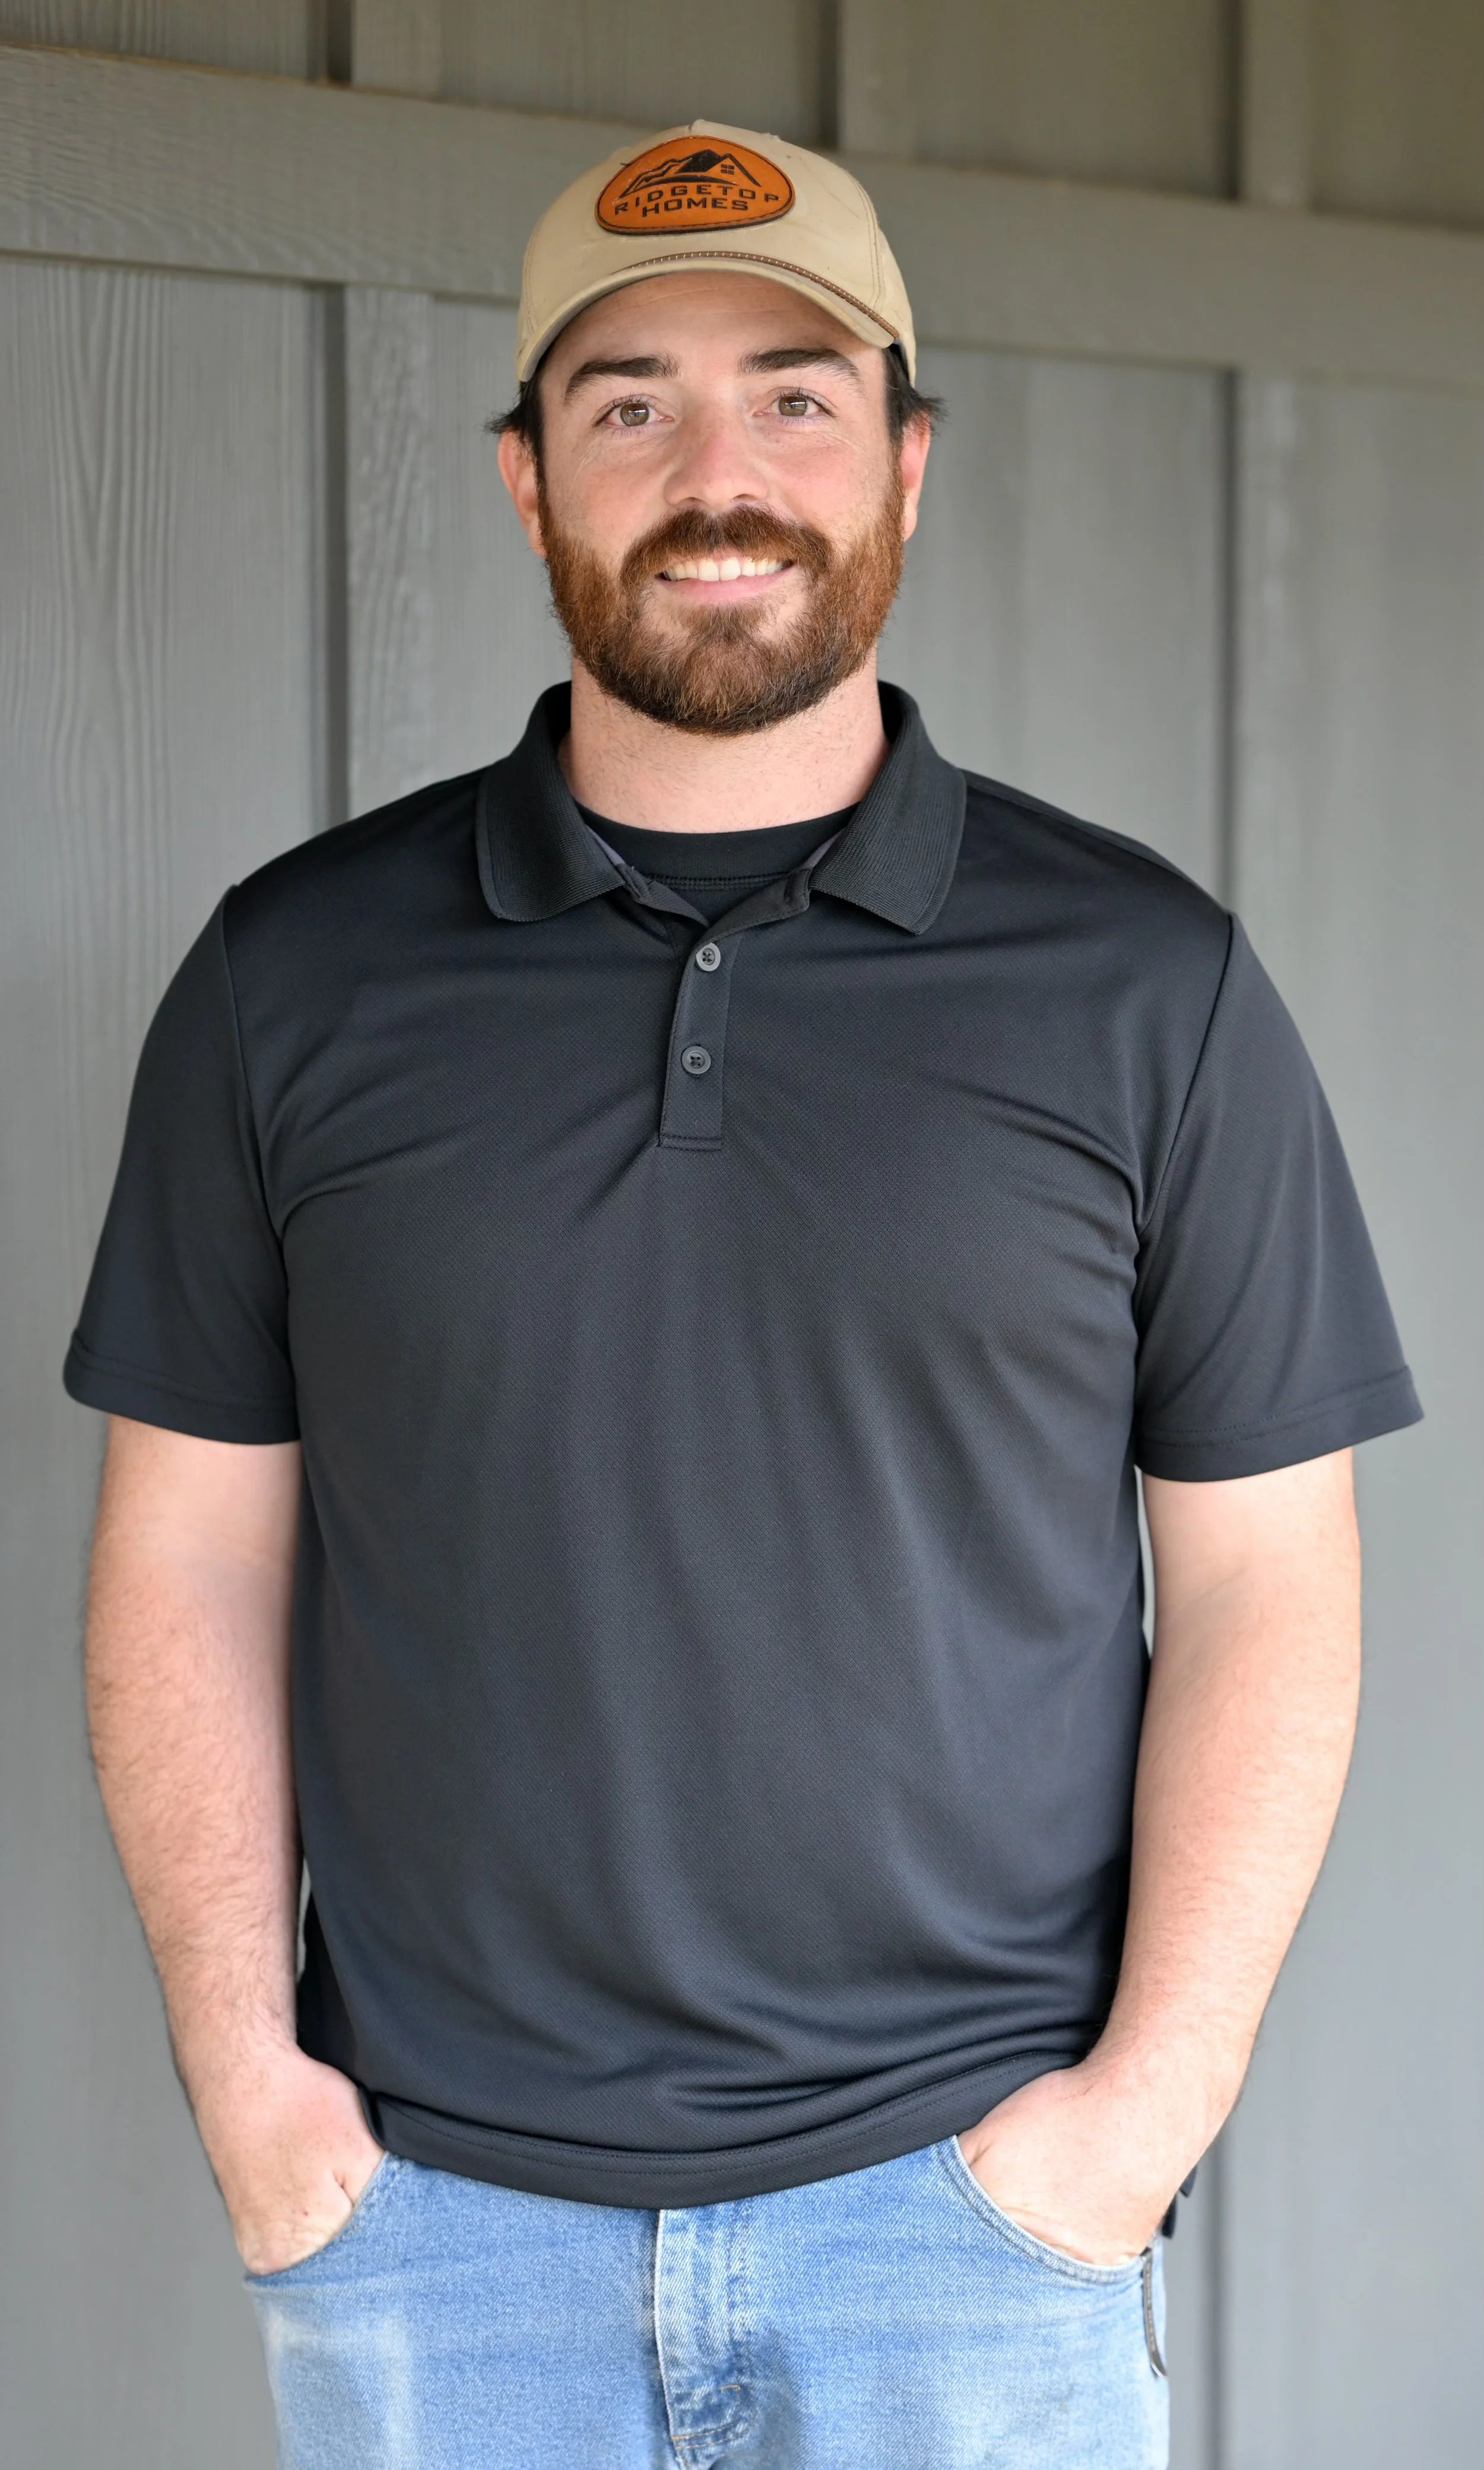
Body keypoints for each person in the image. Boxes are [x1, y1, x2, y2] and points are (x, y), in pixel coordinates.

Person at [66, 121, 1420, 2469]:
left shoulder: (1141, 986)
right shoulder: (295, 982)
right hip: (437, 2221)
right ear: (524, 484)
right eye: (629, 404)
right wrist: (255, 2094)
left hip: (965, 2230)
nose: (720, 471)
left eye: (796, 394)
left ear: (907, 461)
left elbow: (1266, 1575)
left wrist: (1126, 2125)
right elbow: (186, 1541)